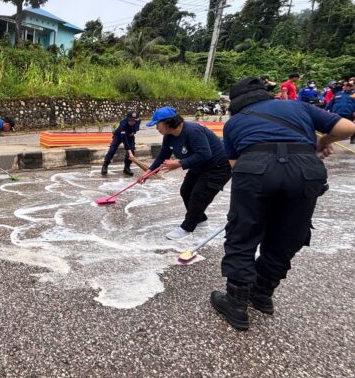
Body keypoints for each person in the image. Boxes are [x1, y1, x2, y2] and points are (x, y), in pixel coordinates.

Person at [210, 77, 355, 331]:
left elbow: (235, 165)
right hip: (306, 170)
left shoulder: (234, 123)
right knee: (289, 234)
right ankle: (262, 293)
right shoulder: (298, 107)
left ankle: (236, 304)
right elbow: (347, 127)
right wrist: (321, 143)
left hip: (254, 170)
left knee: (243, 234)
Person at [147, 107, 232, 240]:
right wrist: (149, 171)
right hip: (199, 166)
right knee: (186, 191)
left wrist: (179, 164)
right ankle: (200, 220)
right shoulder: (169, 136)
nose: (156, 128)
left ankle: (187, 227)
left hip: (218, 167)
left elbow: (205, 153)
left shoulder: (192, 131)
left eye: (157, 124)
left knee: (199, 195)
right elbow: (163, 155)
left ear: (168, 122)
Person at [101, 112, 141, 177]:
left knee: (132, 150)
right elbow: (125, 141)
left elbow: (137, 126)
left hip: (130, 136)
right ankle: (105, 165)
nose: (132, 122)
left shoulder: (138, 120)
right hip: (119, 135)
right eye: (131, 120)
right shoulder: (123, 125)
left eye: (134, 120)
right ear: (127, 119)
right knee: (112, 149)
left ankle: (127, 168)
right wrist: (129, 151)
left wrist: (134, 132)